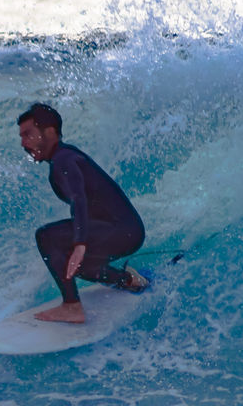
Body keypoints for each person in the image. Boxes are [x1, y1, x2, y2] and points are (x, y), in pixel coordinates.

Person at [17, 103, 148, 324]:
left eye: (28, 134)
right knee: (72, 263)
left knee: (46, 237)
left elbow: (78, 199)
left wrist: (80, 244)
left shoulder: (63, 161)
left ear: (49, 132)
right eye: (21, 137)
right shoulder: (65, 156)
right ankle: (129, 280)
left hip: (120, 229)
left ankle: (71, 306)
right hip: (128, 230)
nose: (23, 143)